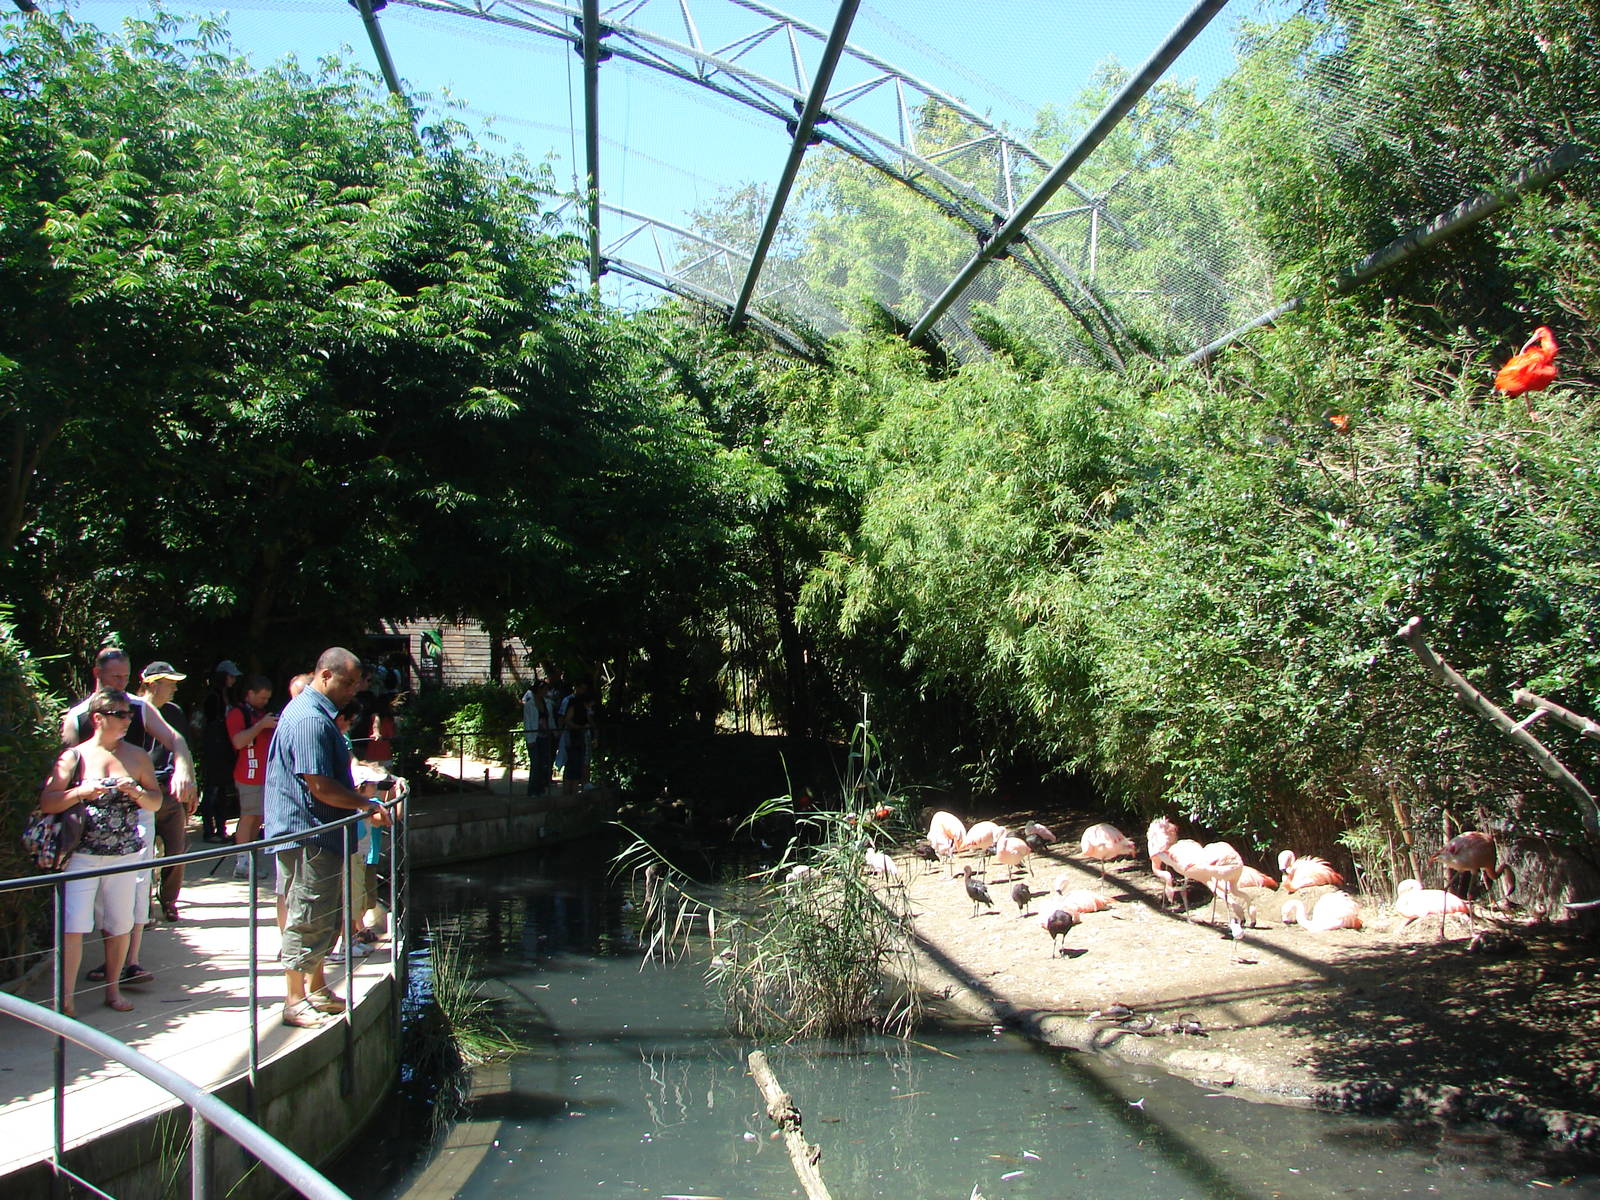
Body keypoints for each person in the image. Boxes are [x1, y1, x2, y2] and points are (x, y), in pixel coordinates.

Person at [264, 647, 392, 1028]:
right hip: (308, 832)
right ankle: (294, 999)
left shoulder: (318, 715)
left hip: (319, 832)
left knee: (323, 911)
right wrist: (366, 804)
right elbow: (319, 785)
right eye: (347, 682)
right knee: (307, 911)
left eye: (356, 683)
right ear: (324, 676)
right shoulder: (310, 721)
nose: (354, 690)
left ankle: (316, 985)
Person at [62, 648, 198, 983]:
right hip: (91, 821)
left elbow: (175, 739)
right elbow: (63, 764)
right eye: (115, 678)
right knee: (94, 899)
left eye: (126, 677)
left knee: (137, 886)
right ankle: (107, 966)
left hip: (137, 812)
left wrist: (185, 770)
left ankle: (131, 961)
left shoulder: (139, 708)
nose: (122, 683)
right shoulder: (78, 717)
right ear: (98, 674)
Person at [40, 690, 165, 1015]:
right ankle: (64, 998)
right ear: (99, 718)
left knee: (119, 925)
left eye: (129, 714)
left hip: (125, 855)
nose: (127, 720)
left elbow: (155, 801)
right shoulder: (74, 757)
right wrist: (80, 791)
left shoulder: (137, 757)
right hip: (81, 855)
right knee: (73, 927)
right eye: (120, 714)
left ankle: (113, 990)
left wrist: (136, 792)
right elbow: (48, 801)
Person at [134, 661, 198, 921]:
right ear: (153, 684)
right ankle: (142, 907)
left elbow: (184, 749)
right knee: (143, 852)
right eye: (170, 684)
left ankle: (169, 900)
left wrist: (192, 785)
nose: (174, 689)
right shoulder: (133, 711)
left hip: (172, 792)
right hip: (142, 792)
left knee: (176, 850)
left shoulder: (174, 712)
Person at [227, 674, 278, 876]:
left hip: (265, 774)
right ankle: (241, 862)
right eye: (262, 698)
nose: (265, 702)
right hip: (248, 773)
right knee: (248, 816)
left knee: (257, 818)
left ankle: (248, 858)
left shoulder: (261, 714)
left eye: (267, 699)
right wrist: (261, 726)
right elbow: (238, 742)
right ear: (250, 694)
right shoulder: (237, 714)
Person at [198, 661, 241, 842]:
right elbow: (211, 722)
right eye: (230, 676)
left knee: (222, 790)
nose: (233, 680)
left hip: (224, 748)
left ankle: (221, 829)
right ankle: (209, 831)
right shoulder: (212, 697)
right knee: (212, 790)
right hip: (214, 749)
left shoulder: (228, 696)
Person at [521, 679, 557, 796]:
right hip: (534, 737)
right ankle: (532, 789)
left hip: (545, 736)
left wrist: (554, 732)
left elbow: (549, 719)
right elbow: (527, 722)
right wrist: (529, 739)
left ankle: (541, 788)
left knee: (544, 763)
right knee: (535, 763)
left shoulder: (547, 703)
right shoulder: (530, 704)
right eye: (545, 689)